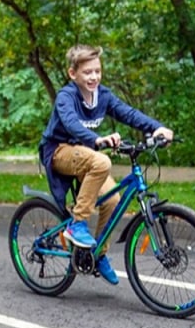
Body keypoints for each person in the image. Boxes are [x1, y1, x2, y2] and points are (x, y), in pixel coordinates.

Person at [38, 44, 173, 285]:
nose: (93, 77)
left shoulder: (104, 96)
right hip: (59, 151)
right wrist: (97, 140)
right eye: (87, 72)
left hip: (85, 154)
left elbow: (128, 113)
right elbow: (70, 124)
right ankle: (77, 224)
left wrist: (156, 127)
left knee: (112, 200)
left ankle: (97, 254)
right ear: (73, 74)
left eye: (97, 71)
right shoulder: (66, 96)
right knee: (102, 161)